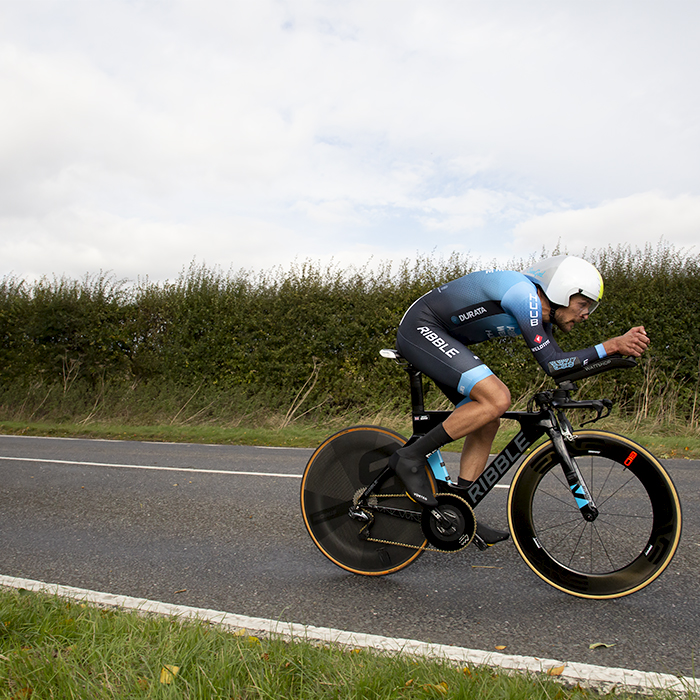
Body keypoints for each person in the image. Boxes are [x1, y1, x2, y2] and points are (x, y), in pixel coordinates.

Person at [389, 255, 650, 545]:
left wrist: (613, 356)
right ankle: (409, 457)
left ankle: (461, 509)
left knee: (488, 418)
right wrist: (611, 345)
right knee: (497, 398)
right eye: (583, 304)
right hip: (421, 328)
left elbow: (562, 367)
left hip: (443, 335)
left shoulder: (543, 314)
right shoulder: (523, 295)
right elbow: (553, 364)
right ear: (564, 290)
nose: (586, 313)